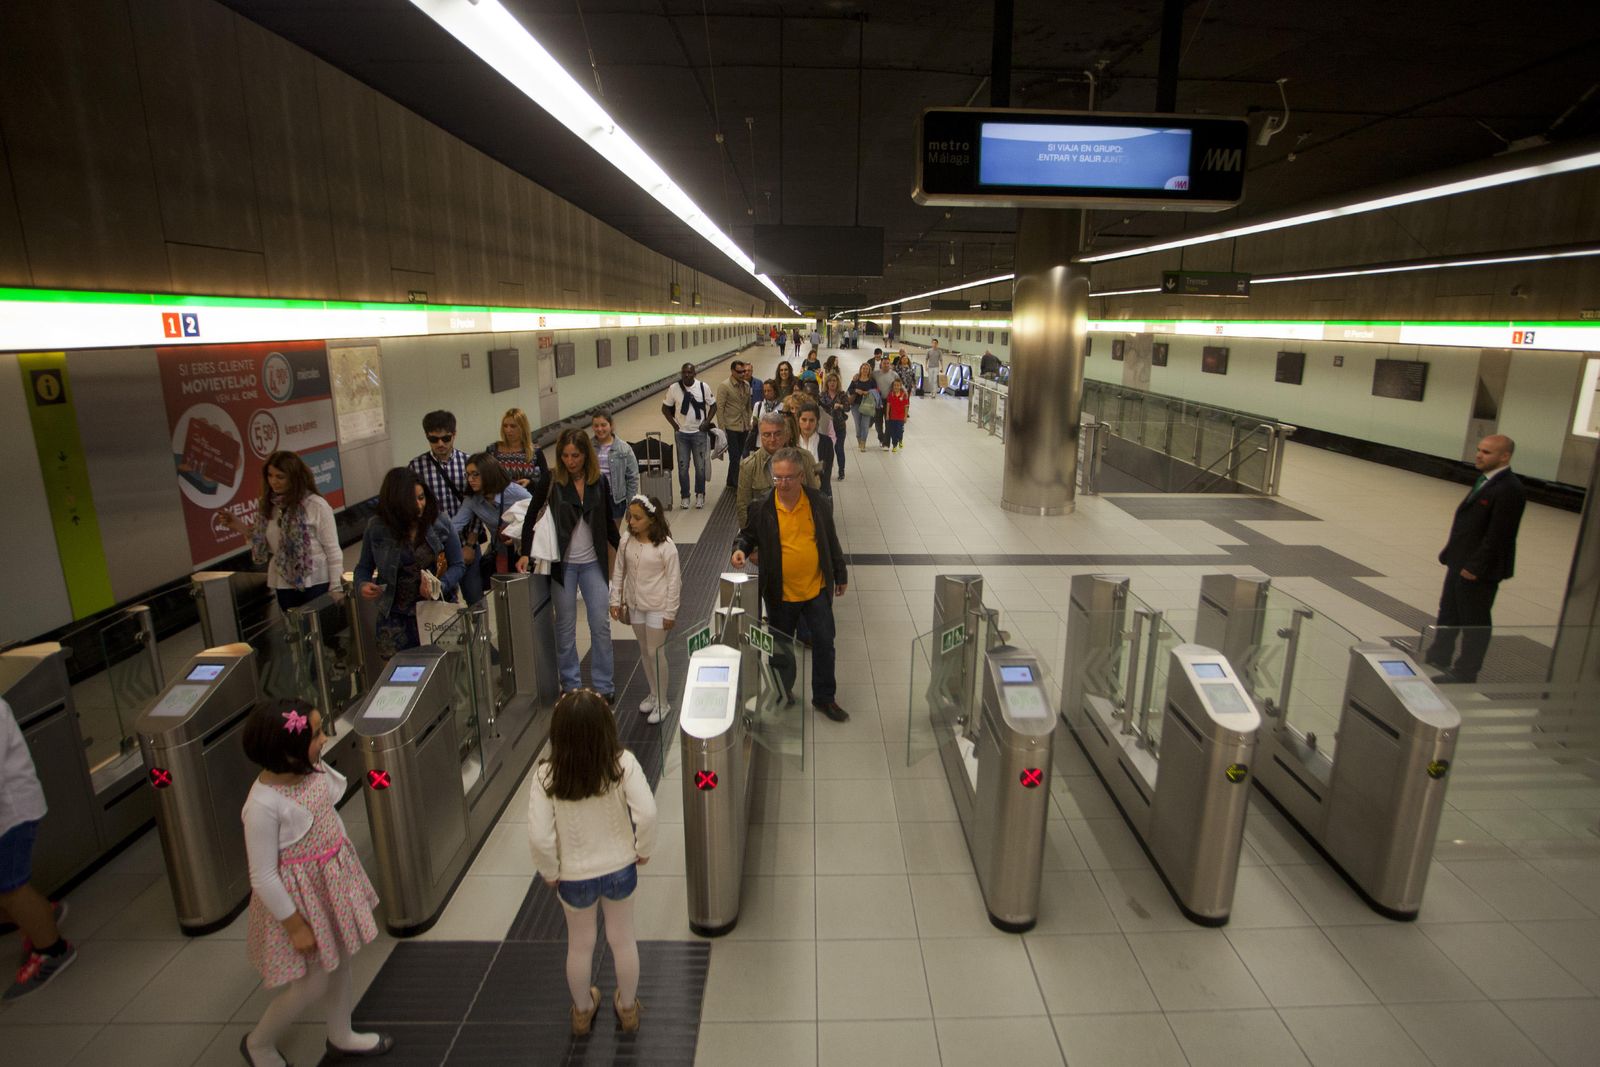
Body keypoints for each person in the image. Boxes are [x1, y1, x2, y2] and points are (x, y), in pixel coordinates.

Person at [240, 697, 390, 1065]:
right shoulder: (262, 805)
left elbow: (327, 815)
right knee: (312, 982)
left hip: (329, 888)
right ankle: (259, 1042)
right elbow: (263, 875)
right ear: (287, 751)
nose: (324, 738)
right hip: (298, 905)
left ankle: (341, 1034)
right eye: (316, 733)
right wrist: (294, 926)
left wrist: (342, 866)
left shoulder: (313, 771)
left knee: (340, 962)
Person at [527, 690, 657, 1037]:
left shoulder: (545, 776)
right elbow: (647, 812)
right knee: (623, 939)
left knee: (580, 944)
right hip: (620, 868)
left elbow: (539, 836)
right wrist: (642, 848)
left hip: (574, 876)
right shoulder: (622, 763)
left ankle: (582, 1012)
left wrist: (550, 871)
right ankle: (627, 1009)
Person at [730, 449, 849, 722]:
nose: (782, 484)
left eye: (789, 478)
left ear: (801, 476)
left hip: (816, 589)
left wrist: (840, 573)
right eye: (778, 478)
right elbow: (747, 535)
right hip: (779, 592)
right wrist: (740, 549)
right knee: (780, 647)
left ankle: (824, 698)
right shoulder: (762, 507)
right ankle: (783, 692)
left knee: (824, 643)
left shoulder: (818, 502)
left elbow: (830, 540)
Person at [520, 429, 620, 700]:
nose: (570, 461)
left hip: (592, 563)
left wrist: (624, 550)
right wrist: (525, 552)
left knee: (600, 624)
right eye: (564, 456)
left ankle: (604, 686)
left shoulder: (599, 482)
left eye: (575, 455)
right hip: (562, 565)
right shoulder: (552, 480)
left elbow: (607, 522)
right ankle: (571, 684)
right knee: (565, 626)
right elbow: (531, 516)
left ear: (586, 454)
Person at [1425, 434, 1527, 683]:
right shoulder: (1486, 480)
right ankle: (1439, 656)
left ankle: (1466, 671)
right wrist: (1451, 553)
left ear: (1505, 456)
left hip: (1479, 568)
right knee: (1449, 611)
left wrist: (1475, 566)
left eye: (1487, 452)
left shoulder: (1509, 489)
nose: (1479, 455)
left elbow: (1499, 535)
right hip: (1460, 560)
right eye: (1479, 450)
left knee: (1474, 621)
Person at [1, 697, 73, 1001]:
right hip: (10, 814)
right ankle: (39, 914)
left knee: (11, 888)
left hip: (11, 817)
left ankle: (52, 950)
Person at [354, 469, 464, 659]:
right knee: (400, 672)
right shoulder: (377, 528)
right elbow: (363, 567)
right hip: (396, 617)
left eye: (421, 498)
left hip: (436, 611)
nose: (419, 505)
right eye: (412, 501)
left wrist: (439, 586)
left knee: (444, 667)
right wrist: (362, 584)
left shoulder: (440, 522)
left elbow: (458, 565)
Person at [220, 451, 343, 613]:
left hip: (317, 581)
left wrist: (336, 586)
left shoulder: (316, 505)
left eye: (280, 477)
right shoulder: (268, 505)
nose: (274, 481)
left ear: (294, 477)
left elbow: (333, 550)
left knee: (319, 625)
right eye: (270, 475)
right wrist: (238, 526)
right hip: (284, 583)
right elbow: (268, 545)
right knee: (293, 626)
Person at [608, 496, 681, 724]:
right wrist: (615, 600)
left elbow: (674, 582)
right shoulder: (626, 540)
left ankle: (663, 702)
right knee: (644, 650)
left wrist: (670, 612)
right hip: (635, 605)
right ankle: (653, 693)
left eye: (637, 518)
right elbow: (619, 570)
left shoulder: (666, 547)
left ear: (652, 519)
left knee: (655, 652)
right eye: (630, 517)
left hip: (658, 606)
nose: (631, 522)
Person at [452, 453, 532, 603]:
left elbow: (539, 515)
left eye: (475, 474)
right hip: (502, 552)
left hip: (527, 552)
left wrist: (518, 534)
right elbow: (455, 526)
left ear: (488, 473)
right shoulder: (473, 500)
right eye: (468, 475)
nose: (470, 479)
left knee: (528, 598)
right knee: (505, 599)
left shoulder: (513, 492)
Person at [736, 412, 820, 526]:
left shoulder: (805, 459)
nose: (772, 439)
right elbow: (743, 508)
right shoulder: (749, 466)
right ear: (760, 436)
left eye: (777, 434)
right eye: (767, 434)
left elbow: (815, 497)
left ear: (785, 434)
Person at [662, 362, 715, 510]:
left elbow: (714, 405)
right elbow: (665, 409)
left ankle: (700, 494)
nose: (687, 375)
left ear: (695, 374)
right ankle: (685, 496)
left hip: (699, 433)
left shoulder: (703, 387)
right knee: (683, 467)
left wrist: (707, 422)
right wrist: (675, 425)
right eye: (684, 372)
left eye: (690, 372)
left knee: (700, 467)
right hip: (682, 435)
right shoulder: (674, 388)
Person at [490, 407, 551, 505]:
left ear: (522, 428)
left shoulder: (535, 452)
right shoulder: (493, 450)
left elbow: (546, 479)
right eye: (505, 426)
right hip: (500, 503)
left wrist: (530, 482)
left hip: (527, 502)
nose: (508, 430)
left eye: (513, 426)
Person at [590, 411, 639, 523]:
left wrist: (631, 505)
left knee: (613, 533)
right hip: (594, 499)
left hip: (615, 501)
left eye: (603, 425)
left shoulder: (624, 448)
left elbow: (632, 478)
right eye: (596, 426)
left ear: (611, 425)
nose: (600, 429)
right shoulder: (588, 447)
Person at [715, 361, 754, 491]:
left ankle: (730, 481)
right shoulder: (724, 386)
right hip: (730, 427)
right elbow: (720, 409)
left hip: (743, 427)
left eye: (744, 371)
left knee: (738, 456)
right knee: (735, 457)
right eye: (739, 372)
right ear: (732, 371)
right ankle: (738, 486)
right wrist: (722, 430)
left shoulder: (747, 385)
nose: (743, 374)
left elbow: (748, 406)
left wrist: (749, 422)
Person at [794, 402, 835, 496]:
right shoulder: (792, 442)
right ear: (798, 420)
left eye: (811, 420)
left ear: (817, 421)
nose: (807, 424)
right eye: (804, 420)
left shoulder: (826, 442)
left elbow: (826, 473)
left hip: (819, 493)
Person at [819, 372, 849, 482]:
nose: (832, 383)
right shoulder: (822, 395)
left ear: (837, 382)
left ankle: (841, 471)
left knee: (839, 449)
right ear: (827, 383)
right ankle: (825, 471)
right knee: (825, 451)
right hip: (826, 428)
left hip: (839, 427)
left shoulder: (842, 394)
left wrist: (840, 406)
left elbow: (847, 408)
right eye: (830, 381)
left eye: (834, 381)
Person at [847, 363, 879, 453]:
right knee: (858, 425)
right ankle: (859, 438)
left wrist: (867, 392)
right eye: (863, 368)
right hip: (855, 405)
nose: (865, 370)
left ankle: (863, 442)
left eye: (866, 369)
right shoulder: (856, 379)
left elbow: (876, 391)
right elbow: (849, 390)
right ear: (860, 369)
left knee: (865, 425)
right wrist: (856, 390)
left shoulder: (871, 381)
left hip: (867, 405)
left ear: (869, 371)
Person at [871, 351, 899, 448]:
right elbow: (865, 375)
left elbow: (900, 385)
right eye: (884, 363)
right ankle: (881, 438)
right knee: (878, 423)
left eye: (888, 363)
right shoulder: (875, 374)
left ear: (890, 364)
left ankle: (886, 443)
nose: (886, 365)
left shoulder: (894, 375)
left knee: (888, 423)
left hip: (890, 402)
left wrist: (904, 394)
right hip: (878, 402)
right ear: (881, 364)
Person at [885, 378, 911, 453]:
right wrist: (887, 414)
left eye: (898, 385)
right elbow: (888, 405)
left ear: (900, 386)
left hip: (900, 417)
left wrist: (905, 416)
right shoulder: (891, 395)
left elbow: (906, 407)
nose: (896, 387)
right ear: (893, 386)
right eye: (895, 385)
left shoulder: (904, 395)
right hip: (892, 417)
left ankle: (900, 440)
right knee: (893, 431)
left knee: (899, 430)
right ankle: (894, 445)